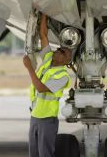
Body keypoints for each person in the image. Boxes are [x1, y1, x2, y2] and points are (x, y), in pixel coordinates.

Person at [23, 13, 72, 157]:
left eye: (62, 52)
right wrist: (44, 14)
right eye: (59, 48)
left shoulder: (63, 76)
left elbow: (41, 88)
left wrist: (29, 67)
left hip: (47, 120)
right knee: (34, 154)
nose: (58, 50)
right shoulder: (48, 58)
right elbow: (43, 35)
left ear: (66, 61)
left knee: (45, 154)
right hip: (35, 116)